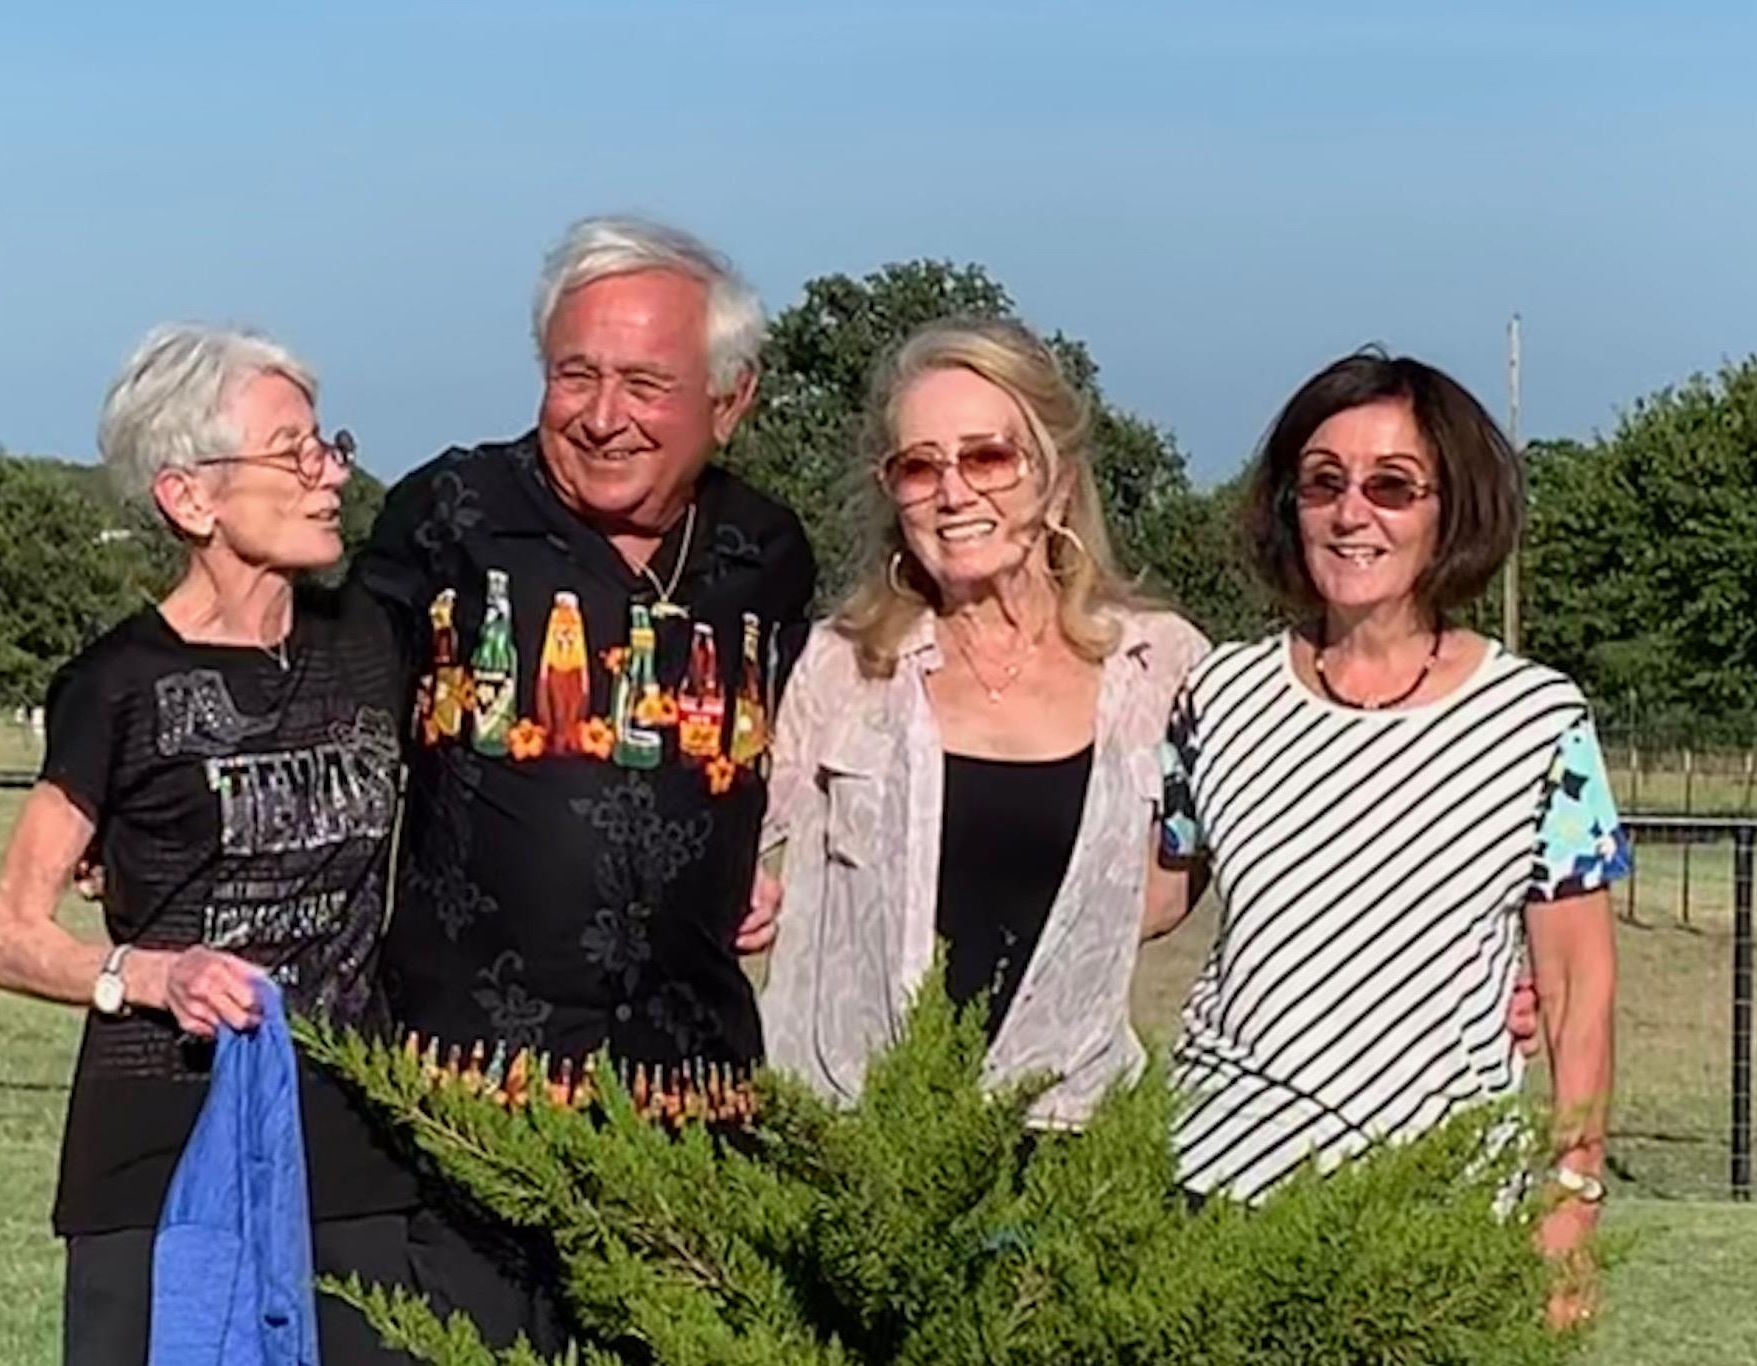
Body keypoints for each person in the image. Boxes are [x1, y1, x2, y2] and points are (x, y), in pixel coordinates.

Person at [352, 215, 814, 1349]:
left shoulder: (769, 551)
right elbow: (326, 705)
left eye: (647, 383)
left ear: (730, 400)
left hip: (693, 1110)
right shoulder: (448, 515)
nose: (605, 416)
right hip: (461, 1106)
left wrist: (772, 852)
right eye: (577, 374)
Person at [0, 324, 419, 1364]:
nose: (329, 476)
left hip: (353, 1157)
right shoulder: (114, 687)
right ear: (190, 497)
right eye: (292, 452)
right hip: (158, 1158)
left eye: (328, 445)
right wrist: (154, 974)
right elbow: (5, 935)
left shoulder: (372, 641)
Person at [1158, 349, 1623, 1323]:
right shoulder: (1215, 697)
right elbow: (1150, 895)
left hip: (1442, 1217)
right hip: (1220, 1199)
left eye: (1392, 485)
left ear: (1451, 509)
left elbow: (1578, 990)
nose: (1351, 511)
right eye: (1322, 482)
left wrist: (1572, 1202)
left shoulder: (1540, 721)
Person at [755, 317, 1208, 1124]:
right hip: (855, 1138)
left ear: (1058, 480)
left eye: (988, 457)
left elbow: (1223, 865)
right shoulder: (840, 665)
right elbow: (727, 840)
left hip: (1071, 1140)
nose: (954, 492)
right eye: (918, 467)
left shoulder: (1161, 669)